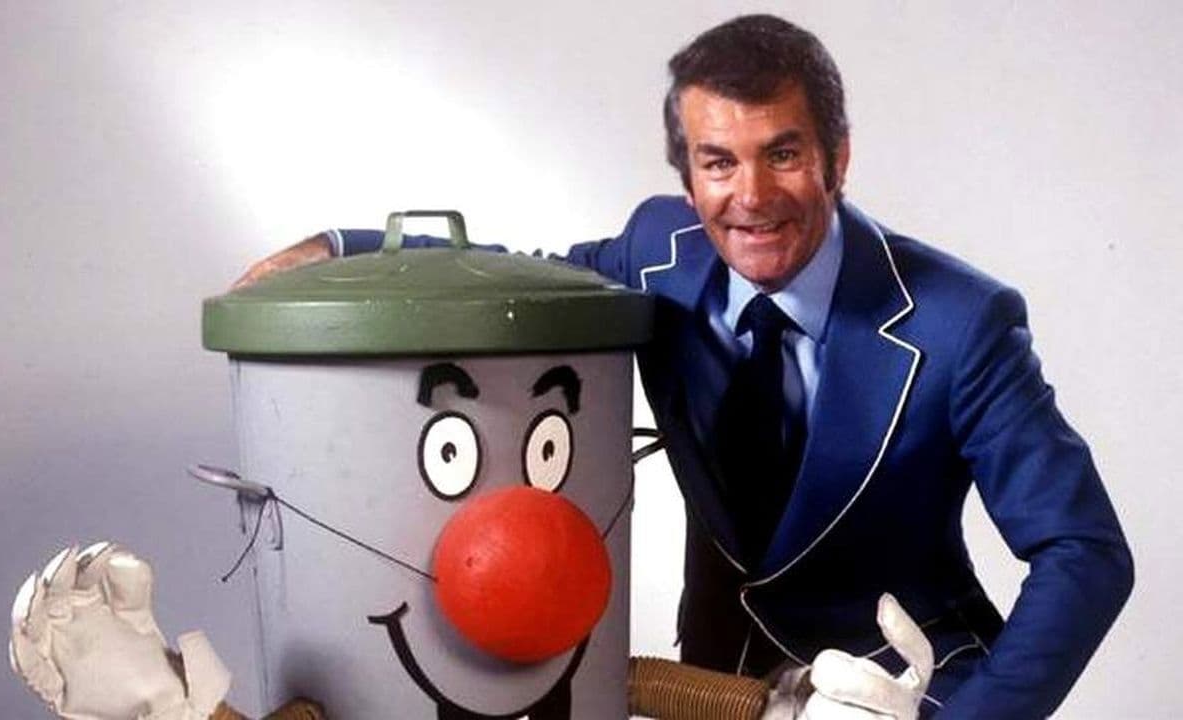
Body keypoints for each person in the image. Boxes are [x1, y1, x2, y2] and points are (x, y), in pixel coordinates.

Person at [236, 15, 1133, 718]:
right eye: (718, 162)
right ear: (688, 175)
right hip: (717, 685)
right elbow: (528, 284)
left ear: (838, 158)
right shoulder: (656, 251)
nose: (752, 196)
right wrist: (346, 251)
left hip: (897, 690)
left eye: (783, 153)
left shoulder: (964, 322)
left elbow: (1085, 553)